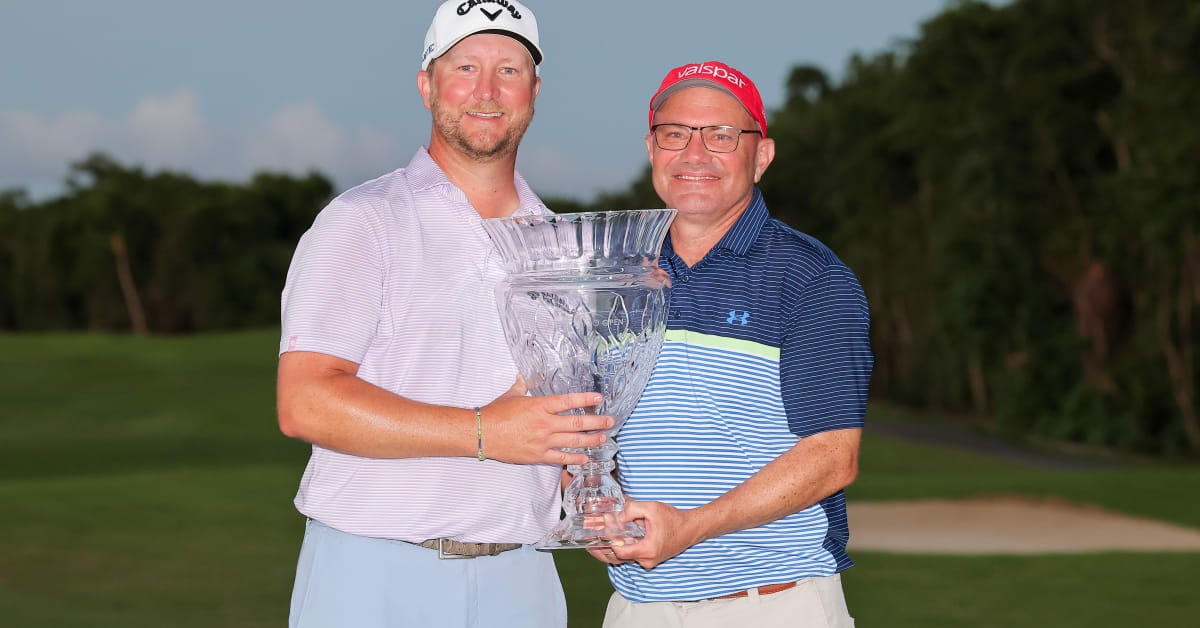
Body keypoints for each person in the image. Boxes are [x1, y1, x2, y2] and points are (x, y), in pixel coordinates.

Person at [275, 2, 612, 627]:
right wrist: (487, 431)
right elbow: (304, 404)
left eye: (508, 70)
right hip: (376, 573)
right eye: (465, 67)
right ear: (428, 85)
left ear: (534, 92)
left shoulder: (563, 245)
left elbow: (556, 414)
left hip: (526, 577)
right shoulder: (362, 221)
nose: (486, 91)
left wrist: (587, 491)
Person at [592, 61, 874, 628]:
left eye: (722, 136)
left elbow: (832, 459)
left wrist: (693, 526)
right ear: (652, 148)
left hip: (772, 605)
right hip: (637, 605)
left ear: (761, 155)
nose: (694, 155)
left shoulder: (811, 277)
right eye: (675, 134)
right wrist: (592, 499)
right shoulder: (617, 277)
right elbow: (595, 424)